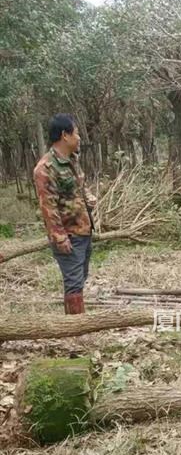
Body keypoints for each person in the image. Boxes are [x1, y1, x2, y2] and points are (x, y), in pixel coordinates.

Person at [34, 114, 96, 314]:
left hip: (83, 229)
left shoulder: (72, 160)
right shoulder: (45, 169)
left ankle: (75, 321)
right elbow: (48, 207)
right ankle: (76, 326)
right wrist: (60, 237)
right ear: (65, 135)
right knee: (74, 281)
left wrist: (89, 197)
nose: (79, 137)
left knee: (80, 276)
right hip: (68, 234)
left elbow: (79, 186)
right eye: (76, 133)